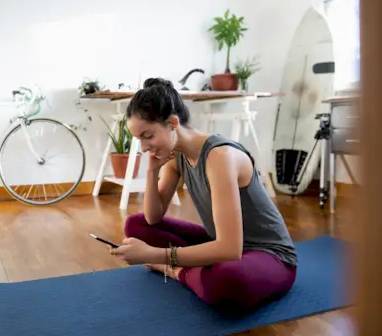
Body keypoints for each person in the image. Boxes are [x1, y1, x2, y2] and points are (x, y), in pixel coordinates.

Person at [109, 78, 298, 313]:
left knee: (226, 280)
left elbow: (230, 249)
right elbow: (152, 219)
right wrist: (151, 171)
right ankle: (196, 271)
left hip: (270, 255)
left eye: (148, 136)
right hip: (219, 242)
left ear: (172, 123)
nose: (144, 147)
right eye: (140, 140)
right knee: (135, 224)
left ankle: (175, 271)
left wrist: (157, 257)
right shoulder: (176, 155)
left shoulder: (220, 157)